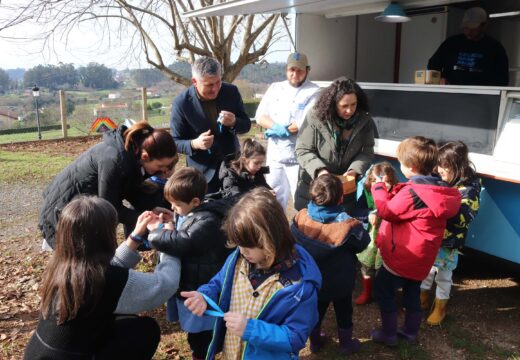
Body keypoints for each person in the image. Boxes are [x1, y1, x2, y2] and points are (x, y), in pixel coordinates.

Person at [24, 196, 181, 360]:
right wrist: (167, 240)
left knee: (124, 321)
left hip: (38, 353)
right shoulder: (106, 279)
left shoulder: (62, 265)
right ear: (103, 235)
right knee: (144, 330)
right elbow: (164, 285)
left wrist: (135, 237)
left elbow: (107, 268)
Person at [181, 187, 321, 359]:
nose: (242, 251)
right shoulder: (238, 259)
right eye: (239, 244)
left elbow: (295, 338)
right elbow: (219, 283)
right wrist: (205, 296)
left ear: (270, 239)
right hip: (232, 351)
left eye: (248, 246)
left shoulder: (300, 286)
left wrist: (250, 329)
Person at [370, 136, 461, 346]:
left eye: (401, 163)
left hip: (402, 256)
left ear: (410, 166)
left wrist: (378, 189)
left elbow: (388, 211)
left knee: (383, 290)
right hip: (423, 258)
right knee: (412, 292)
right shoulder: (441, 189)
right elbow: (416, 204)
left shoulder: (413, 192)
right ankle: (410, 333)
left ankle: (389, 334)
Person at [39, 121, 178, 249]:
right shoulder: (115, 160)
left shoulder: (131, 156)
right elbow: (110, 209)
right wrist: (146, 220)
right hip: (63, 212)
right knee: (80, 263)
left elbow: (130, 189)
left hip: (85, 210)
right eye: (160, 166)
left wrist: (151, 209)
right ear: (145, 156)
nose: (164, 171)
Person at [146, 167, 233, 360]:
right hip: (193, 280)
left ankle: (202, 354)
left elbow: (185, 241)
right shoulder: (194, 213)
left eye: (176, 204)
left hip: (201, 285)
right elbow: (185, 228)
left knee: (202, 330)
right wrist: (173, 220)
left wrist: (156, 232)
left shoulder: (208, 220)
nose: (173, 208)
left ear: (195, 202)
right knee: (197, 327)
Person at [290, 174, 369, 354]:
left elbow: (292, 238)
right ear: (341, 197)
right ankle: (346, 344)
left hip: (312, 280)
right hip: (341, 281)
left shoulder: (300, 217)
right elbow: (363, 242)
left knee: (315, 312)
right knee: (344, 312)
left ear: (313, 195)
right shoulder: (348, 225)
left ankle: (315, 342)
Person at [420, 141, 481, 325]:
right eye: (438, 165)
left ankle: (441, 306)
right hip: (432, 237)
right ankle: (422, 297)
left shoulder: (469, 189)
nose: (439, 170)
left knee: (444, 274)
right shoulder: (439, 177)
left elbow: (465, 215)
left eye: (444, 166)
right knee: (426, 269)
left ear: (457, 166)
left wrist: (438, 211)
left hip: (450, 241)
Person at [170, 56, 252, 193]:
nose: (215, 89)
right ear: (194, 81)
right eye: (208, 85)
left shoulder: (231, 92)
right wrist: (195, 144)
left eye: (218, 82)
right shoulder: (181, 103)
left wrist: (234, 122)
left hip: (233, 167)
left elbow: (246, 125)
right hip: (202, 176)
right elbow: (175, 142)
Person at [295, 77, 376, 212]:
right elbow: (303, 150)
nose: (349, 110)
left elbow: (367, 151)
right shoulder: (315, 117)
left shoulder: (365, 120)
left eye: (353, 105)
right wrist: (320, 171)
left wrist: (353, 171)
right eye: (344, 106)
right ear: (333, 104)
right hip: (315, 188)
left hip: (345, 190)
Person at [255, 52, 319, 209]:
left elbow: (304, 122)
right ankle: (275, 231)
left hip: (298, 157)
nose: (295, 74)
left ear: (307, 70)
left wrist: (283, 130)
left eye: (300, 70)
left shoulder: (314, 91)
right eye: (292, 70)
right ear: (286, 69)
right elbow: (260, 116)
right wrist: (276, 127)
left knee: (301, 199)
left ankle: (300, 232)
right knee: (273, 197)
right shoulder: (275, 88)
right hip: (275, 156)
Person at [427, 6, 509, 86]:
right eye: (466, 28)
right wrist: (440, 78)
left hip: (481, 96)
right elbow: (433, 65)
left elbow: (502, 79)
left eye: (473, 29)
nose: (469, 32)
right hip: (450, 93)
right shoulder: (451, 43)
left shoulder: (495, 47)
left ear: (484, 26)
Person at [354, 162, 399, 305]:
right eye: (376, 181)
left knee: (384, 266)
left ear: (392, 181)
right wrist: (369, 214)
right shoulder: (366, 192)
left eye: (387, 182)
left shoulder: (396, 194)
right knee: (366, 264)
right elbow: (358, 210)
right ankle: (367, 292)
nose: (382, 185)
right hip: (371, 237)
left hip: (387, 237)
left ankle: (382, 293)